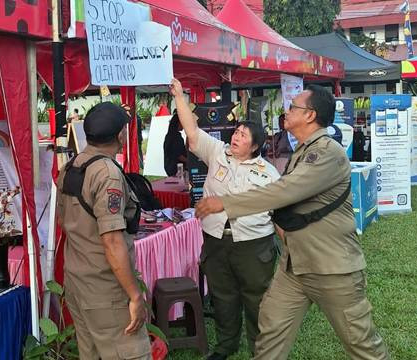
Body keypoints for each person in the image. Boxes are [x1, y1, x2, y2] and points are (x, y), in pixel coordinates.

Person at [195, 85, 390, 360]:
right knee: (270, 332)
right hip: (295, 267)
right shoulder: (303, 150)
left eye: (292, 107)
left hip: (331, 267)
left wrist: (226, 203)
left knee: (361, 344)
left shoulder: (326, 153)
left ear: (310, 115)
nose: (286, 111)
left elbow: (284, 191)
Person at [170, 79, 280, 360]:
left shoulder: (268, 173)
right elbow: (192, 133)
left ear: (255, 146)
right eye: (237, 132)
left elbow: (278, 212)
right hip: (217, 241)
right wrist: (180, 97)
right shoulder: (218, 153)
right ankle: (225, 346)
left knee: (257, 301)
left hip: (253, 245)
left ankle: (261, 350)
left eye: (244, 135)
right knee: (223, 298)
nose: (236, 137)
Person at [56, 102, 151, 360]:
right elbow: (111, 240)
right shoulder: (106, 174)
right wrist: (134, 296)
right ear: (120, 135)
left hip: (78, 282)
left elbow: (64, 221)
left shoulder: (70, 167)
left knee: (92, 354)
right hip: (105, 287)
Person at [162, 110, 187, 177]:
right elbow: (179, 155)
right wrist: (190, 162)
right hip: (176, 169)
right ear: (178, 123)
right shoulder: (176, 137)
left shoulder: (169, 135)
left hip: (169, 167)